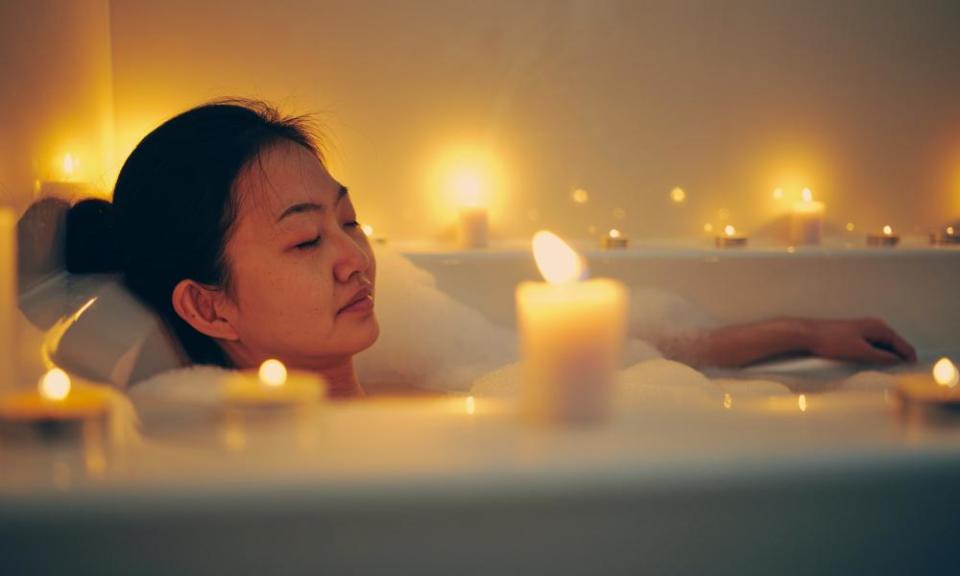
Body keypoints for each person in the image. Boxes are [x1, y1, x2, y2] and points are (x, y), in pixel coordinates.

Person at [65, 99, 916, 397]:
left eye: (349, 221)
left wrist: (802, 331)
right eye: (304, 241)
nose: (354, 257)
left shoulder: (426, 377)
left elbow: (620, 359)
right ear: (208, 305)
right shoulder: (255, 470)